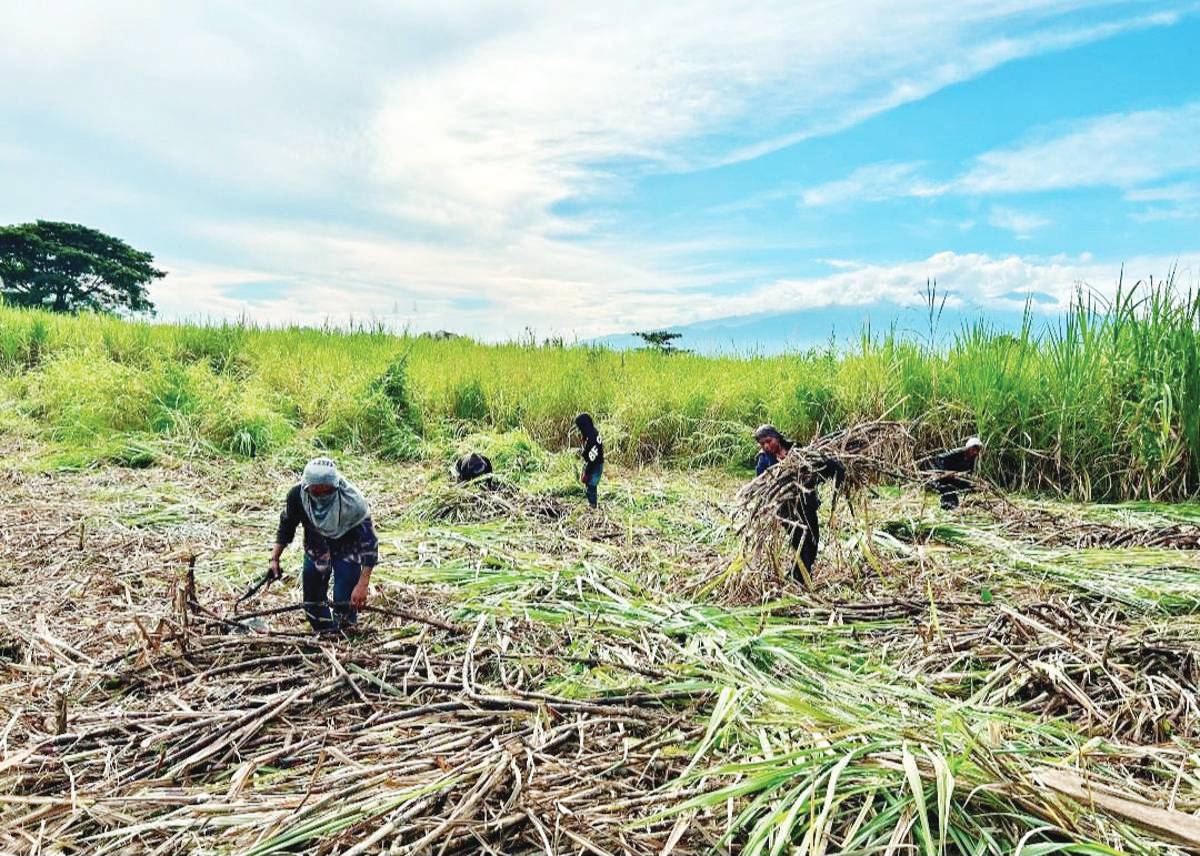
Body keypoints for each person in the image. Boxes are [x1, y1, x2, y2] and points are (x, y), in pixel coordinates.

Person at [269, 457, 379, 633]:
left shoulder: (353, 502)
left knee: (345, 602)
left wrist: (363, 584)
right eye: (315, 492)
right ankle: (325, 634)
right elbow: (287, 525)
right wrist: (274, 558)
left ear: (335, 487)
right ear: (307, 487)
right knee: (312, 603)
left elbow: (370, 544)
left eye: (326, 492)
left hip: (347, 552)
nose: (320, 497)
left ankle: (345, 636)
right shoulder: (298, 495)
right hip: (316, 550)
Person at [753, 424, 845, 582]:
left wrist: (833, 468)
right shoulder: (763, 460)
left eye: (768, 441)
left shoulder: (796, 449)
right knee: (800, 543)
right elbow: (762, 483)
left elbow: (815, 468)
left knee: (813, 541)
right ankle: (802, 581)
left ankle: (797, 575)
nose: (766, 446)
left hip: (807, 503)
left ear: (777, 437)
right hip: (786, 509)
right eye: (762, 444)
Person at [919, 436, 983, 510]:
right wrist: (946, 472)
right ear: (969, 448)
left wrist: (969, 484)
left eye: (977, 450)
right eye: (974, 449)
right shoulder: (957, 452)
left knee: (966, 487)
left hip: (953, 476)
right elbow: (939, 459)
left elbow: (968, 472)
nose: (976, 452)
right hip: (941, 473)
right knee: (945, 487)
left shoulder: (972, 458)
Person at [575, 413, 604, 509]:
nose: (579, 430)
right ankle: (592, 504)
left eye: (580, 428)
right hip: (597, 462)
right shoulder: (593, 432)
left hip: (595, 465)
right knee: (590, 485)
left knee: (591, 486)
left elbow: (592, 460)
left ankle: (593, 506)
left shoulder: (592, 438)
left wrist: (587, 473)